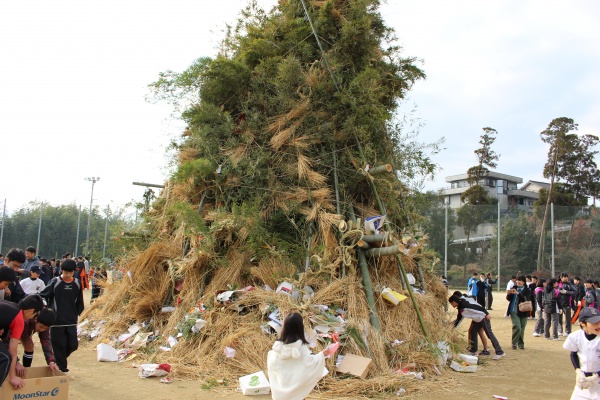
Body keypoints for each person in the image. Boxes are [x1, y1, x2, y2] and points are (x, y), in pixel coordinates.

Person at [267, 312, 339, 400]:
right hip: (295, 396)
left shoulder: (276, 350)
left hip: (280, 396)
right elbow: (310, 364)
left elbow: (273, 368)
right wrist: (324, 353)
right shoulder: (301, 349)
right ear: (300, 328)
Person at [40, 259, 84, 373]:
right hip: (56, 321)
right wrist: (47, 311)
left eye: (70, 272)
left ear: (74, 271)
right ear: (61, 270)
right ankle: (62, 368)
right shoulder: (55, 282)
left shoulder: (77, 283)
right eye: (66, 272)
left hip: (71, 320)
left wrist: (79, 313)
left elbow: (80, 301)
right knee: (59, 345)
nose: (68, 275)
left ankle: (59, 359)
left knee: (73, 345)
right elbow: (43, 295)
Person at [0, 294, 45, 390]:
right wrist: (12, 377)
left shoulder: (11, 306)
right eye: (34, 315)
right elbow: (12, 350)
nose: (32, 317)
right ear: (31, 311)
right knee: (5, 358)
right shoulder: (19, 318)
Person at [0, 307, 59, 375]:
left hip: (25, 332)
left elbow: (45, 341)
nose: (41, 330)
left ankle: (26, 369)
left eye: (45, 328)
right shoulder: (25, 319)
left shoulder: (43, 324)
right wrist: (16, 362)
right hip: (8, 332)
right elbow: (7, 340)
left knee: (30, 345)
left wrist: (51, 362)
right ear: (35, 319)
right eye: (41, 327)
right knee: (8, 352)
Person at [448, 294, 505, 360]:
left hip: (483, 317)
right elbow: (458, 320)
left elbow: (478, 307)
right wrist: (450, 327)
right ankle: (473, 350)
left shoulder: (465, 305)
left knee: (489, 334)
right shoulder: (460, 307)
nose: (451, 305)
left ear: (454, 302)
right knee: (473, 331)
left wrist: (486, 313)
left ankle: (499, 352)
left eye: (451, 303)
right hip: (477, 319)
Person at [563, 307, 600, 399]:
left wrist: (596, 377)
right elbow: (573, 353)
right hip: (584, 380)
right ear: (582, 323)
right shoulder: (575, 336)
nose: (598, 325)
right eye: (594, 323)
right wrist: (578, 371)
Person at [450, 291, 490, 356]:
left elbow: (459, 318)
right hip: (477, 316)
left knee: (479, 332)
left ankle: (481, 349)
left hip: (480, 316)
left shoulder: (463, 303)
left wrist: (452, 327)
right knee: (472, 331)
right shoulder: (464, 299)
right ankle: (473, 348)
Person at [507, 275, 531, 349]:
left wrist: (518, 294)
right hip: (513, 310)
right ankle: (514, 343)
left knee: (522, 328)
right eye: (517, 280)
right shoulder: (513, 288)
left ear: (523, 282)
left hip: (523, 310)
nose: (518, 282)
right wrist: (509, 293)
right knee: (517, 327)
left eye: (520, 280)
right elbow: (508, 299)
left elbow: (525, 299)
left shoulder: (527, 290)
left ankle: (521, 344)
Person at [558, 272, 578, 337]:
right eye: (564, 277)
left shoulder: (569, 284)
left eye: (567, 277)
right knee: (559, 318)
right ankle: (559, 330)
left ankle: (568, 331)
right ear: (561, 278)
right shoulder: (558, 284)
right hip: (558, 303)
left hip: (567, 303)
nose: (566, 278)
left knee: (567, 318)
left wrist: (566, 292)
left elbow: (575, 292)